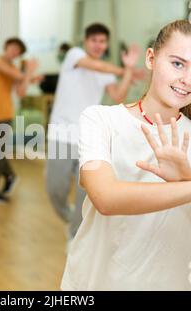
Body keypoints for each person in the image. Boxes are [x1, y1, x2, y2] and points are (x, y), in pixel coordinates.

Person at [61, 20, 191, 291]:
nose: (187, 80)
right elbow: (106, 198)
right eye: (178, 64)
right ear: (151, 58)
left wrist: (187, 179)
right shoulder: (101, 120)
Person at [46, 23, 142, 245]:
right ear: (85, 41)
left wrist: (127, 71)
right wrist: (123, 70)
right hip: (61, 135)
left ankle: (75, 234)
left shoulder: (105, 72)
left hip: (87, 137)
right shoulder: (74, 55)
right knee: (55, 189)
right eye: (94, 41)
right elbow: (95, 66)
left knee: (84, 190)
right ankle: (71, 219)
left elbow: (118, 95)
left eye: (102, 42)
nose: (99, 45)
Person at [0, 37, 39, 204]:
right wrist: (28, 74)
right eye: (13, 48)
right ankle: (10, 175)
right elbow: (9, 72)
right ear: (6, 46)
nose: (14, 52)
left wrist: (27, 78)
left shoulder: (15, 70)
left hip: (4, 115)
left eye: (18, 52)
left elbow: (20, 93)